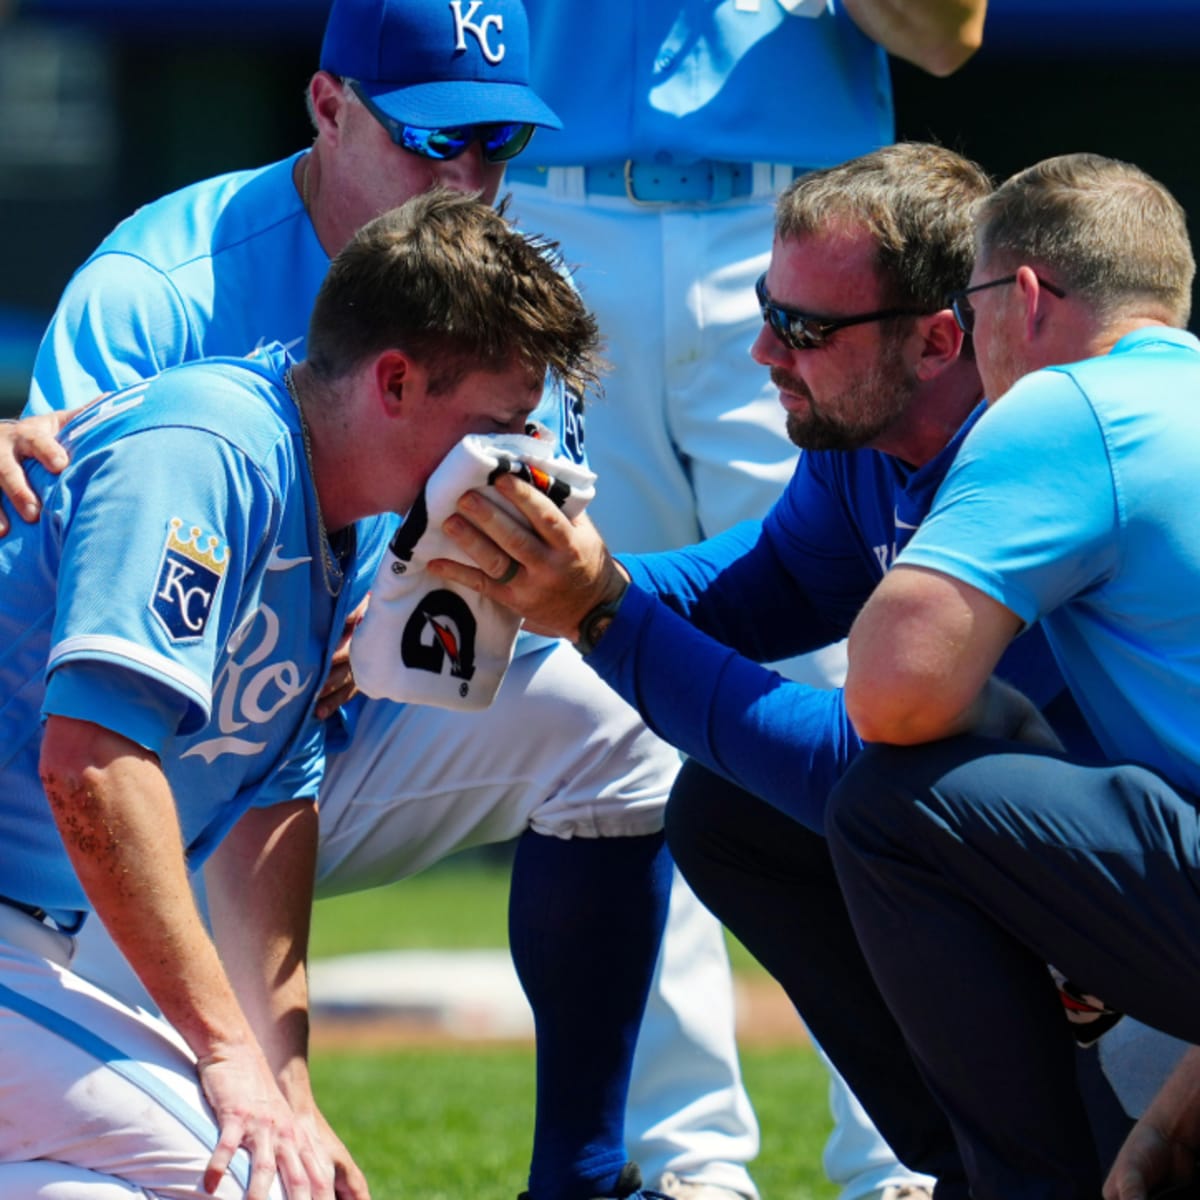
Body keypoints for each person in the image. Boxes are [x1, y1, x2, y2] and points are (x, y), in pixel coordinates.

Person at [0, 2, 762, 1199]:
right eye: (429, 140)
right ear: (328, 107)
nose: (465, 179)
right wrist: (231, 1062)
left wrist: (282, 1078)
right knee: (232, 1167)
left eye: (497, 146)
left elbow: (292, 754)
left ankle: (594, 1175)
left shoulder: (485, 301)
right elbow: (88, 720)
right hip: (90, 806)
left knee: (613, 721)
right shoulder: (171, 307)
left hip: (245, 755)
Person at [420, 141, 1149, 1197]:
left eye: (805, 328)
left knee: (884, 804)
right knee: (734, 812)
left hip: (1172, 930)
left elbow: (859, 762)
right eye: (769, 304)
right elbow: (756, 586)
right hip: (1105, 902)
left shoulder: (1035, 455)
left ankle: (1041, 1162)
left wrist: (599, 608)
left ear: (943, 339)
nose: (764, 347)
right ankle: (981, 1165)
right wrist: (523, 580)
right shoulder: (871, 442)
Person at [0, 188, 599, 1199]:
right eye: (501, 426)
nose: (522, 462)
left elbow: (272, 800)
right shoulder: (211, 449)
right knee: (249, 1178)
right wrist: (226, 1053)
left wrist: (285, 1082)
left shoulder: (349, 517)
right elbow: (92, 765)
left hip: (33, 936)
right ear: (396, 380)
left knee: (250, 1163)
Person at [505, 8, 985, 1198]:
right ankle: (687, 1166)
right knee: (610, 713)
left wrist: (601, 608)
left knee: (870, 696)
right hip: (555, 201)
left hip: (802, 210)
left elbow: (948, 32)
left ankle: (909, 1157)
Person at [814, 151, 1200, 1200]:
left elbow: (892, 694)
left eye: (969, 300)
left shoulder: (1069, 403)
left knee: (893, 802)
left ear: (1021, 297)